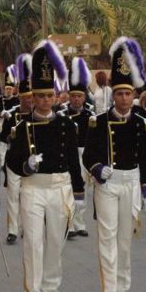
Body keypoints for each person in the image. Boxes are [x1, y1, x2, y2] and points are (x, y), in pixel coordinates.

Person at [7, 40, 84, 292]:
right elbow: (11, 163)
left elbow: (74, 161)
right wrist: (25, 166)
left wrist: (78, 191)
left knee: (55, 240)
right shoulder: (22, 126)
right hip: (33, 188)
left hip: (59, 186)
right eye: (39, 96)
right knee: (33, 243)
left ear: (55, 96)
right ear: (32, 98)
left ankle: (52, 291)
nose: (44, 100)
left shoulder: (66, 124)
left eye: (49, 95)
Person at [83, 37, 146, 292]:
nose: (124, 98)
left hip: (131, 181)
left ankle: (123, 285)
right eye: (120, 93)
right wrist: (98, 168)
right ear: (114, 95)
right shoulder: (98, 122)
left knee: (125, 237)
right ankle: (109, 289)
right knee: (107, 235)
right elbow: (89, 154)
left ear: (134, 95)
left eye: (128, 93)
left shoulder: (142, 123)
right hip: (108, 183)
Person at [2, 54, 32, 245]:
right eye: (25, 98)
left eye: (31, 98)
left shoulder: (38, 117)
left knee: (28, 197)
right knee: (13, 196)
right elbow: (4, 139)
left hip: (31, 162)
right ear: (19, 97)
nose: (29, 101)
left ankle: (26, 227)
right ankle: (12, 230)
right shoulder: (11, 116)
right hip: (13, 161)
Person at [64, 57, 93, 239]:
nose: (76, 99)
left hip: (85, 153)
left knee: (83, 189)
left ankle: (80, 223)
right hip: (68, 154)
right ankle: (70, 224)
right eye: (73, 96)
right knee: (68, 188)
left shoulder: (91, 114)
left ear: (84, 96)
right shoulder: (62, 114)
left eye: (79, 96)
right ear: (69, 96)